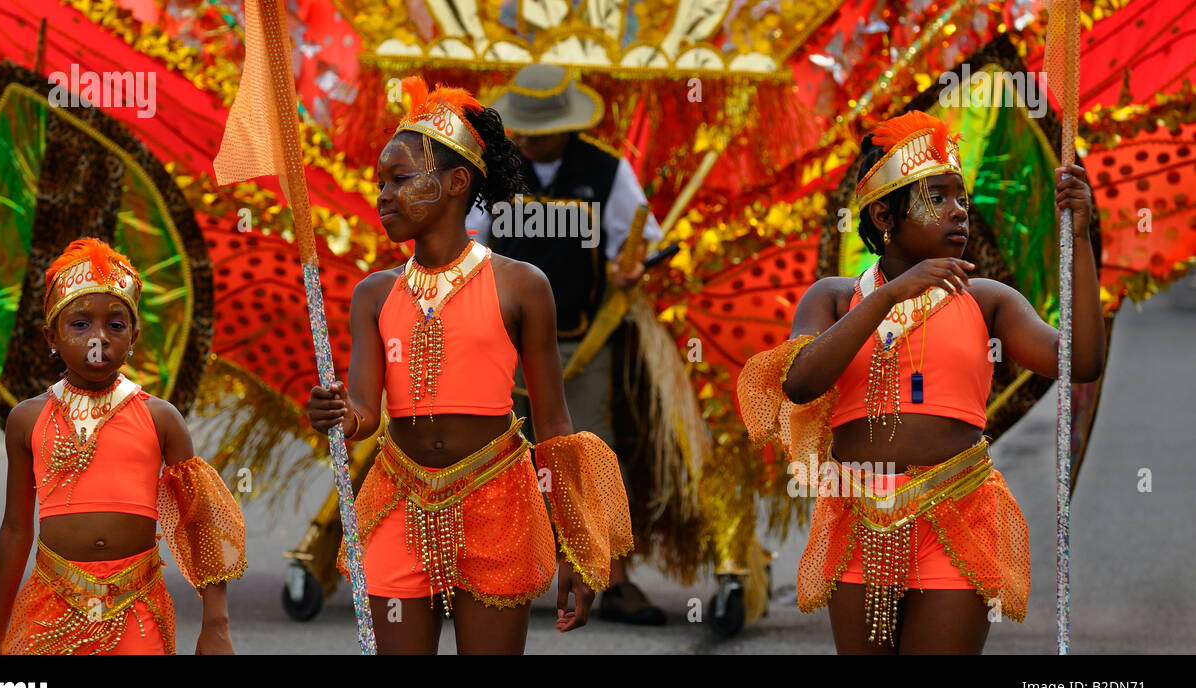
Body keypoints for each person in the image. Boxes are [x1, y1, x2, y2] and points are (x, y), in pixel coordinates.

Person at [736, 110, 1105, 654]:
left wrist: (1080, 238)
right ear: (885, 214)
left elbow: (1082, 361)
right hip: (856, 515)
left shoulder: (987, 299)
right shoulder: (836, 297)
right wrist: (887, 296)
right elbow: (800, 383)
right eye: (938, 197)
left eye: (961, 197)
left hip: (956, 513)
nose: (960, 211)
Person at [307, 76, 633, 655]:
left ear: (458, 182)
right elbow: (363, 412)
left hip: (497, 501)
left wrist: (578, 547)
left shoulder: (521, 287)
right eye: (380, 181)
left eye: (403, 179)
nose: (384, 194)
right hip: (397, 500)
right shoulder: (374, 295)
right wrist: (337, 412)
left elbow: (555, 429)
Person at [465, 62, 666, 625]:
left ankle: (613, 577)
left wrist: (630, 269)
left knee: (590, 451)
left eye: (540, 128)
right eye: (523, 128)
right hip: (499, 342)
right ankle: (495, 575)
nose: (530, 137)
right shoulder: (495, 170)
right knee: (495, 453)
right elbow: (468, 242)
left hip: (581, 340)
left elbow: (637, 242)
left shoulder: (604, 171)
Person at [0, 238, 246, 654]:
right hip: (50, 607)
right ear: (51, 336)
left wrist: (217, 623)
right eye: (80, 324)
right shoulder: (27, 420)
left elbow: (200, 521)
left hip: (137, 610)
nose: (98, 338)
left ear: (135, 336)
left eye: (116, 325)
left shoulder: (161, 418)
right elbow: (16, 530)